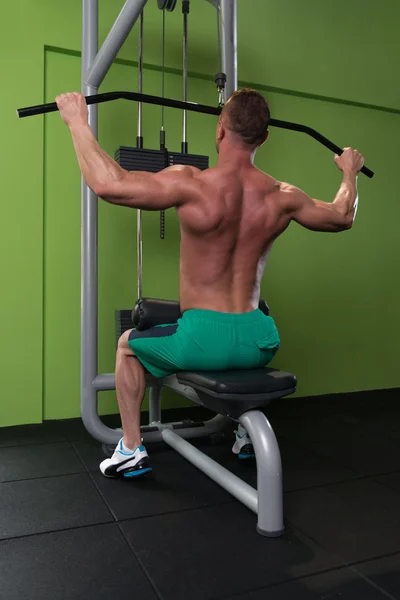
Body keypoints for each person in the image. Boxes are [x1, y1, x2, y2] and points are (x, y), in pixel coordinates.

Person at [56, 89, 364, 478]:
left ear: (220, 130)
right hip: (260, 339)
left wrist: (77, 122)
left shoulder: (193, 185)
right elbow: (342, 215)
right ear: (264, 138)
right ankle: (245, 435)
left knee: (127, 347)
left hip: (201, 341)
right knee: (253, 322)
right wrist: (349, 171)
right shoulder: (283, 196)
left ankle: (131, 448)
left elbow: (109, 184)